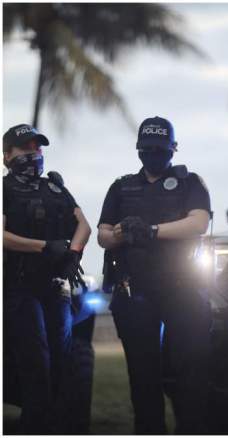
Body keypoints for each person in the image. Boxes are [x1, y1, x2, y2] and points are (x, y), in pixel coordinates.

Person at [97, 116, 211, 433]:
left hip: (182, 288)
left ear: (173, 148)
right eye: (146, 148)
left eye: (159, 148)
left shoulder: (190, 183)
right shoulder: (122, 186)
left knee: (190, 370)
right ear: (138, 149)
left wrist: (151, 231)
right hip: (135, 290)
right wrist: (123, 233)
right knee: (142, 373)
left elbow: (198, 223)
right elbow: (103, 235)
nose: (152, 154)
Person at [3, 124, 91, 434]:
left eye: (38, 148)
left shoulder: (55, 188)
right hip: (18, 287)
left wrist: (74, 253)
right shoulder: (5, 188)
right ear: (7, 156)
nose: (34, 153)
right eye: (26, 148)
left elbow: (83, 224)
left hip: (56, 287)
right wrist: (45, 247)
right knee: (36, 359)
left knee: (61, 359)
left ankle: (57, 426)